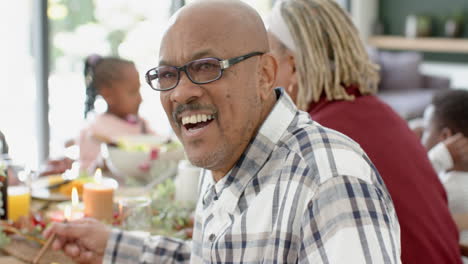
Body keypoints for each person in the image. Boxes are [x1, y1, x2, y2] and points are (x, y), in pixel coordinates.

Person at [44, 1, 400, 263]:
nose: (181, 93)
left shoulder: (329, 182)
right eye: (168, 74)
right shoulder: (225, 150)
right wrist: (112, 246)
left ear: (264, 75)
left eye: (206, 67)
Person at [267, 0, 461, 263]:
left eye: (266, 62)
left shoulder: (313, 139)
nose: (262, 76)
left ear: (292, 66)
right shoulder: (387, 115)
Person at [78, 55, 155, 172]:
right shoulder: (92, 131)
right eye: (133, 92)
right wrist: (101, 165)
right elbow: (84, 176)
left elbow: (162, 147)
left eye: (139, 90)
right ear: (107, 94)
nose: (140, 99)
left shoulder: (142, 124)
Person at [421, 90, 468, 263]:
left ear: (446, 137)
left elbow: (406, 195)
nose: (420, 137)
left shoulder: (450, 190)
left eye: (426, 130)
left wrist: (436, 158)